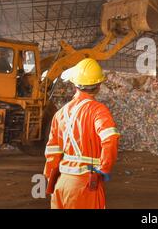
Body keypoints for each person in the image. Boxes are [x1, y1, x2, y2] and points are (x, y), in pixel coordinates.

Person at [43, 58, 120, 209]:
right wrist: (104, 169)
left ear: (74, 84)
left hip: (61, 183)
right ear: (98, 86)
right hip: (84, 185)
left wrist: (51, 180)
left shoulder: (60, 114)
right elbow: (110, 139)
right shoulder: (98, 111)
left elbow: (52, 152)